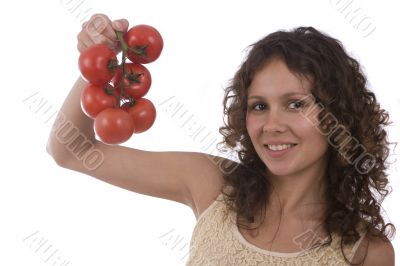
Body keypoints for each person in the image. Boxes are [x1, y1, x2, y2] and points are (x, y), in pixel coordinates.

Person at [47, 14, 395, 265]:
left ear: (338, 116)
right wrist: (100, 63)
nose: (272, 124)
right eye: (259, 105)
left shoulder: (366, 252)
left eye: (295, 105)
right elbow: (72, 150)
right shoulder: (213, 184)